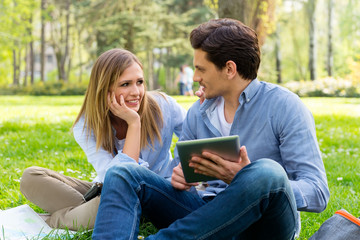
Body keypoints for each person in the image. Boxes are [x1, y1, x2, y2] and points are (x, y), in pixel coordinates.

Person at [92, 18, 329, 239]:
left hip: (262, 224)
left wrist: (246, 180)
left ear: (229, 69)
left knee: (267, 173)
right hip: (204, 214)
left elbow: (318, 191)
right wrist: (180, 177)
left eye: (201, 69)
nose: (194, 77)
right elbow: (181, 172)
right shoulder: (199, 112)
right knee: (122, 172)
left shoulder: (285, 106)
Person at [19, 49, 186, 231]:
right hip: (109, 188)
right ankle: (87, 212)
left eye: (139, 82)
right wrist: (133, 124)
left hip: (156, 193)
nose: (136, 91)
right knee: (31, 177)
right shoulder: (86, 125)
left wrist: (134, 123)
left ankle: (49, 221)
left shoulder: (164, 106)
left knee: (108, 205)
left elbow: (194, 137)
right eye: (125, 84)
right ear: (105, 88)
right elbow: (117, 178)